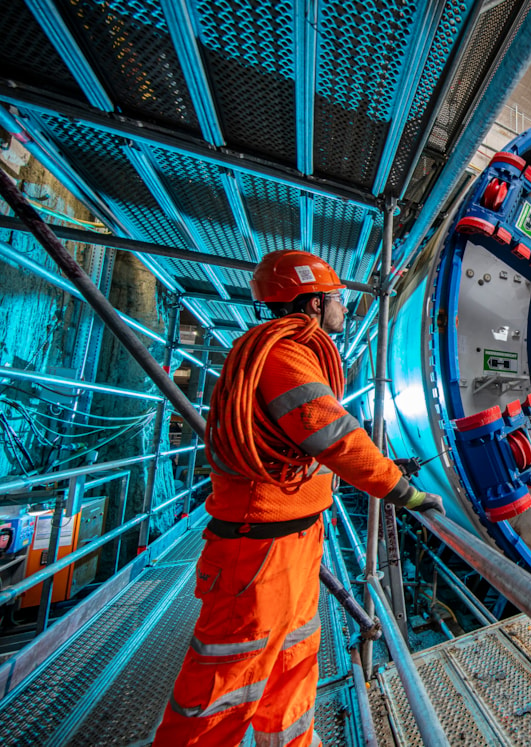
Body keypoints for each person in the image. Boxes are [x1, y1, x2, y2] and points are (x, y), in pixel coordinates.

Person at [154, 250, 443, 746]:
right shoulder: (282, 356)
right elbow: (337, 437)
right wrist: (404, 492)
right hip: (259, 551)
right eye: (336, 297)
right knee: (225, 688)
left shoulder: (289, 353)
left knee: (292, 664)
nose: (344, 306)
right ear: (310, 302)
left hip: (292, 540)